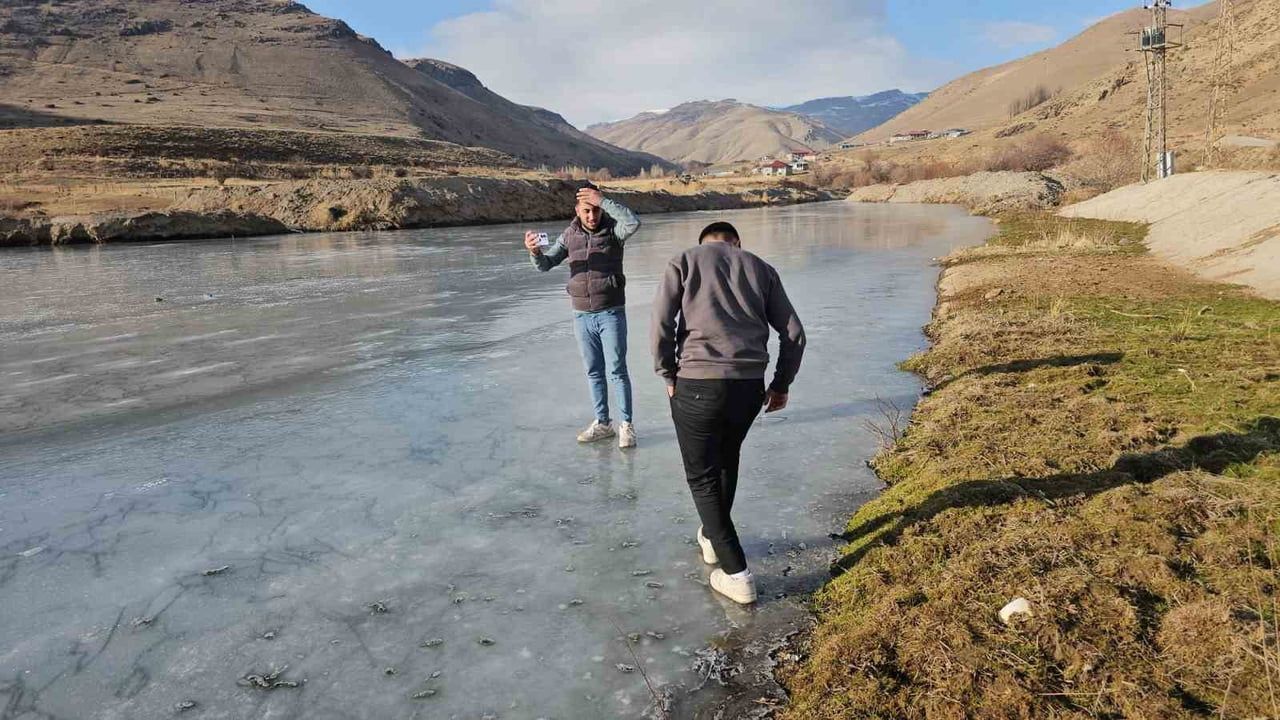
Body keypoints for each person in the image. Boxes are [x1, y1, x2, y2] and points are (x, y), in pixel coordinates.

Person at [651, 221, 806, 604]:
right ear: (736, 243)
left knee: (702, 477)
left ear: (703, 242)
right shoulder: (761, 268)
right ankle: (710, 537)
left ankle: (737, 574)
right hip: (748, 387)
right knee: (725, 460)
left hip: (697, 385)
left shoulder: (683, 262)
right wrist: (781, 383)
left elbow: (660, 325)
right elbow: (794, 334)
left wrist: (666, 372)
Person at [524, 184, 641, 449]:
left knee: (617, 370)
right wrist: (534, 253)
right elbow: (545, 265)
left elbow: (633, 222)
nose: (592, 215)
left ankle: (626, 426)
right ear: (577, 210)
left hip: (611, 312)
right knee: (593, 371)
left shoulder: (614, 231)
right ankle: (602, 423)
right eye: (587, 210)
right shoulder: (569, 235)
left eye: (596, 210)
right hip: (581, 316)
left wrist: (604, 200)